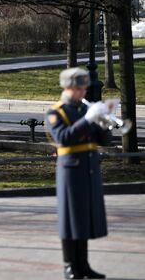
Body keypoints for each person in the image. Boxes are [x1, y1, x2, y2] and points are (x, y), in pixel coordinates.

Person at [45, 68, 111, 279]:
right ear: (67, 87)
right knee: (70, 218)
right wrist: (88, 120)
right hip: (70, 171)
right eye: (79, 88)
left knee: (84, 217)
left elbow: (104, 142)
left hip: (89, 168)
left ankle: (83, 265)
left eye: (84, 87)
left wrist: (104, 122)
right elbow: (63, 137)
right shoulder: (56, 112)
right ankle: (70, 266)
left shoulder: (85, 109)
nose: (83, 92)